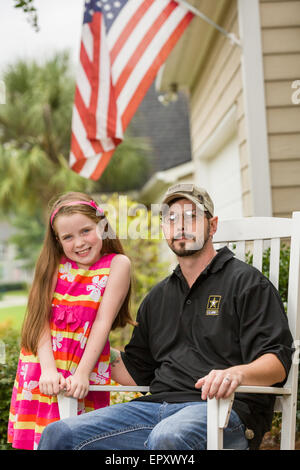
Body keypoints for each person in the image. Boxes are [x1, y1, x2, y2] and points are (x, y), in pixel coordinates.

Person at [37, 183, 294, 451]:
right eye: (171, 219)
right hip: (152, 411)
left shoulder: (247, 283)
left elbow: (277, 362)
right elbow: (137, 373)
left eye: (191, 216)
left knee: (168, 437)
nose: (180, 225)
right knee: (60, 435)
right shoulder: (157, 298)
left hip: (222, 413)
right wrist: (91, 350)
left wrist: (235, 375)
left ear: (213, 225)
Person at [8, 192, 134, 450]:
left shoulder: (117, 265)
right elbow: (40, 320)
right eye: (68, 237)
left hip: (83, 373)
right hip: (42, 370)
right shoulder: (53, 265)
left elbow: (102, 321)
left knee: (81, 440)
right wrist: (48, 370)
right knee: (42, 442)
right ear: (58, 240)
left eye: (86, 231)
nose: (79, 243)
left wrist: (83, 374)